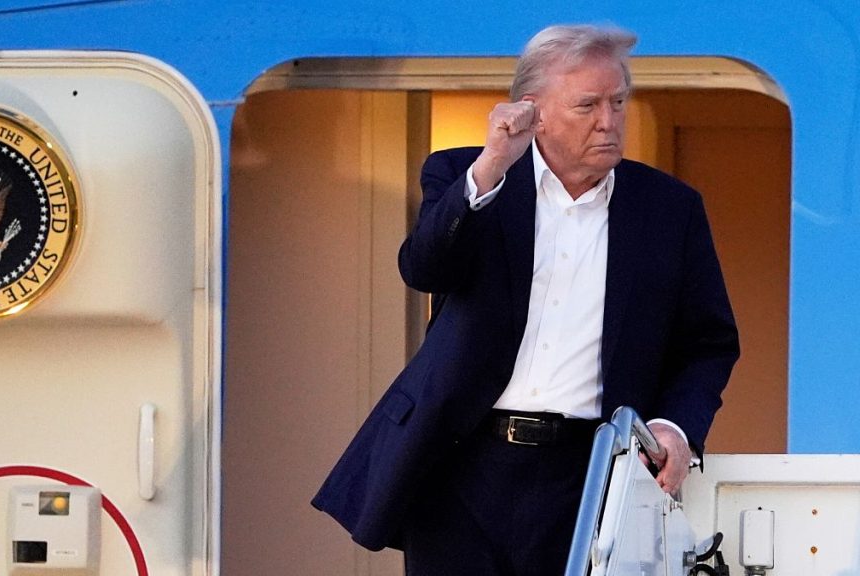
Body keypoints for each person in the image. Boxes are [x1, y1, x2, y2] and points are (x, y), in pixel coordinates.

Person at [312, 24, 739, 575]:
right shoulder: (465, 173)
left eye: (618, 102)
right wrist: (491, 165)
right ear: (533, 110)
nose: (608, 121)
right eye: (587, 105)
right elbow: (422, 268)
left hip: (588, 474)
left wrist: (675, 428)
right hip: (461, 462)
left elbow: (709, 342)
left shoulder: (669, 209)